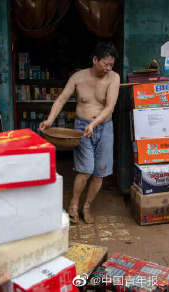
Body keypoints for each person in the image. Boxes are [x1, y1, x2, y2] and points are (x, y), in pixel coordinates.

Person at [38, 42, 120, 224]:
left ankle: (87, 206)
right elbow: (61, 100)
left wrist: (95, 124)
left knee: (100, 173)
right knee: (85, 170)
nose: (108, 68)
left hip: (104, 127)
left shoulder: (113, 78)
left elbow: (110, 107)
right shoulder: (78, 77)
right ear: (95, 60)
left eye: (111, 65)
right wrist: (50, 120)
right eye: (105, 64)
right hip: (82, 127)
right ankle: (74, 205)